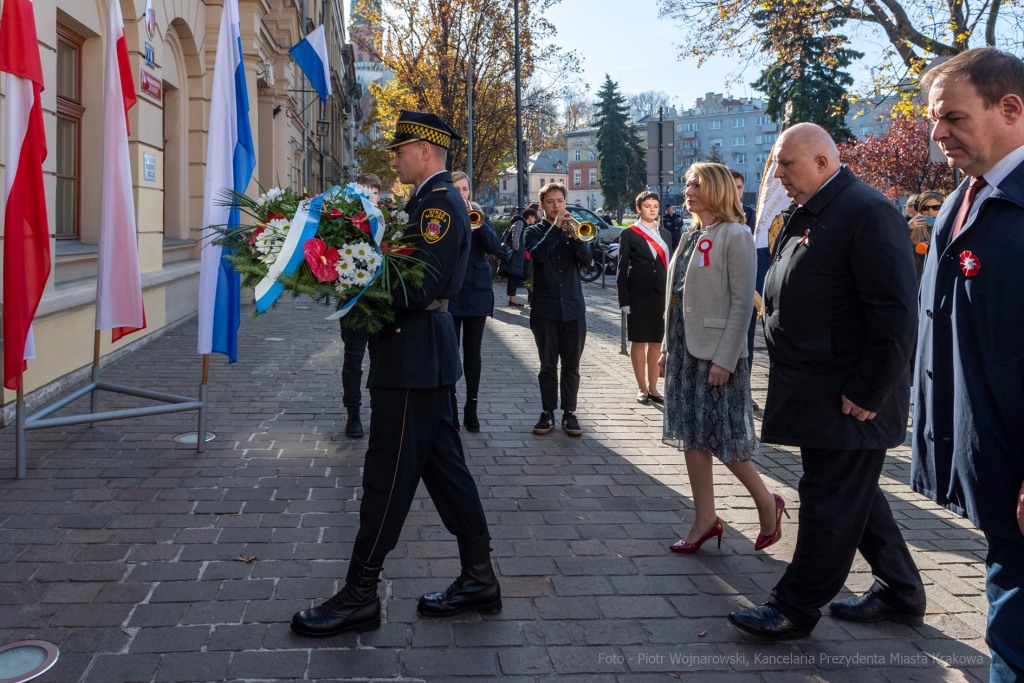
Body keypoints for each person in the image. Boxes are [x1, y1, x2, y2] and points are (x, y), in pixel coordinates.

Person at [292, 111, 500, 638]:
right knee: (446, 472)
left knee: (386, 478)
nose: (395, 157)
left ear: (426, 152)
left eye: (401, 149)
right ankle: (479, 577)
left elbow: (419, 288)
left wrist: (351, 268)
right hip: (418, 358)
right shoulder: (426, 202)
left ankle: (360, 594)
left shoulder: (437, 206)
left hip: (412, 361)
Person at [727, 123, 925, 640]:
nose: (777, 176)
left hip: (850, 394)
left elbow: (897, 314)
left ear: (821, 161)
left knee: (828, 498)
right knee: (852, 493)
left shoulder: (866, 211)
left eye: (784, 165)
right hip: (818, 387)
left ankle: (795, 606)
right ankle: (901, 590)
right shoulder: (818, 207)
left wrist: (868, 389)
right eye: (774, 165)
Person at [913, 48, 1024, 683]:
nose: (937, 133)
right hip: (993, 469)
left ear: (1009, 108)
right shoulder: (966, 197)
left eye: (952, 117)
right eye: (934, 118)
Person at [658, 163, 784, 554]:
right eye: (686, 185)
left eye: (695, 185)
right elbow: (674, 296)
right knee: (691, 435)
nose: (687, 192)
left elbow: (741, 302)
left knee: (723, 437)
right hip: (683, 347)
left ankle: (768, 503)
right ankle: (705, 520)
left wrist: (726, 359)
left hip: (716, 352)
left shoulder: (736, 234)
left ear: (715, 188)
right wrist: (665, 346)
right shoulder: (690, 234)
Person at [525, 183, 593, 436]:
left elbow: (587, 262)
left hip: (574, 308)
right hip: (545, 309)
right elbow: (537, 256)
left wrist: (576, 238)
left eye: (560, 201)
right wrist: (555, 230)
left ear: (566, 202)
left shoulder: (576, 231)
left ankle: (570, 413)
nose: (556, 206)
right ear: (542, 206)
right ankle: (547, 413)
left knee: (572, 365)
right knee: (547, 365)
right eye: (551, 202)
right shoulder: (533, 231)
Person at [449, 171, 502, 432]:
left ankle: (472, 405)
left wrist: (478, 225)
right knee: (450, 351)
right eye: (457, 189)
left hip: (478, 290)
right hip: (452, 290)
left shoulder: (479, 215)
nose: (462, 194)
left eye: (465, 189)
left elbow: (495, 247)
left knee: (473, 351)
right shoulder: (444, 214)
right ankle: (450, 405)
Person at [618, 190, 672, 404]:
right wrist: (623, 299)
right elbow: (622, 269)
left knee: (656, 341)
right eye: (647, 206)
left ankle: (653, 388)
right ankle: (641, 388)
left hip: (661, 293)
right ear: (639, 209)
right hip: (638, 294)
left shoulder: (665, 234)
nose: (652, 209)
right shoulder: (630, 233)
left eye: (655, 206)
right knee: (639, 340)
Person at [339, 172, 382, 438]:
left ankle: (380, 410)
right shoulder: (346, 222)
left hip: (381, 305)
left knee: (380, 361)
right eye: (363, 191)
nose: (368, 196)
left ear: (379, 195)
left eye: (373, 192)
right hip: (354, 305)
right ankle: (353, 414)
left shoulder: (385, 221)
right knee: (353, 360)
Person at [731, 169, 768, 411]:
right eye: (732, 186)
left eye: (740, 186)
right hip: (721, 292)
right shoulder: (712, 216)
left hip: (747, 291)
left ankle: (743, 392)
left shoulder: (755, 217)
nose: (737, 191)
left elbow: (763, 254)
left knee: (745, 343)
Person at [500, 208, 536, 307]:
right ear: (530, 216)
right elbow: (515, 237)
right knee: (513, 277)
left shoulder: (524, 224)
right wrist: (517, 248)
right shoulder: (520, 223)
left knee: (515, 277)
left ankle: (513, 299)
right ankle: (512, 299)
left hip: (519, 255)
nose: (535, 219)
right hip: (515, 256)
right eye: (534, 217)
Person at [907, 190, 945, 283]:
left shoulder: (951, 227)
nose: (930, 211)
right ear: (920, 209)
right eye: (925, 208)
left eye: (936, 207)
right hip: (918, 281)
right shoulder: (911, 229)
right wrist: (907, 228)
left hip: (941, 280)